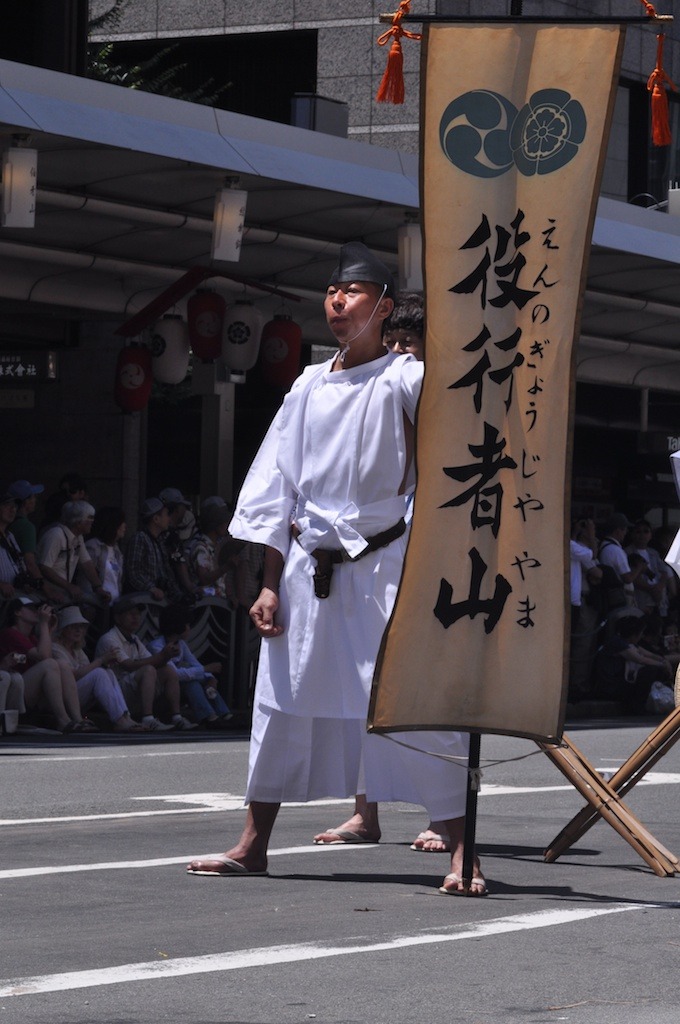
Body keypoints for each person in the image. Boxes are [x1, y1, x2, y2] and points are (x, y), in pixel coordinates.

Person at [186, 241, 483, 896]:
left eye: (351, 293)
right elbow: (275, 486)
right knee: (281, 699)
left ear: (381, 307)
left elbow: (458, 447)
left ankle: (462, 849)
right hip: (307, 569)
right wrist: (268, 581)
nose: (337, 302)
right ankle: (253, 843)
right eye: (331, 293)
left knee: (414, 698)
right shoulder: (308, 383)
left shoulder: (406, 379)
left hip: (385, 567)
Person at [94, 594, 194, 731]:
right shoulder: (110, 639)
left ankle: (176, 717)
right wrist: (162, 655)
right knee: (148, 670)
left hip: (132, 691)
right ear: (117, 618)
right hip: (115, 693)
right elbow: (129, 666)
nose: (136, 617)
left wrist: (166, 656)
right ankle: (147, 718)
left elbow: (154, 661)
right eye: (131, 614)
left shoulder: (134, 639)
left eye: (137, 614)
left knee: (168, 670)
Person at [0, 598, 95, 733]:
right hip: (14, 692)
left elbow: (48, 657)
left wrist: (49, 630)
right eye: (31, 608)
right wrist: (44, 624)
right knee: (50, 664)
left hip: (28, 691)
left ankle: (78, 718)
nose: (37, 612)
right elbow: (45, 658)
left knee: (61, 664)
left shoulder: (31, 637)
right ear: (17, 612)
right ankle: (63, 720)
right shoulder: (11, 633)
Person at [52, 605, 145, 732]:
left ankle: (125, 717)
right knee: (99, 673)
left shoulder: (77, 650)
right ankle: (118, 719)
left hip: (78, 696)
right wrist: (100, 660)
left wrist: (105, 663)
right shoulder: (56, 648)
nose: (79, 630)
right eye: (73, 626)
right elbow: (73, 675)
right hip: (64, 697)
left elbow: (86, 671)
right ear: (63, 629)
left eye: (81, 627)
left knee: (108, 672)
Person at [147, 604, 232, 729]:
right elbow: (175, 674)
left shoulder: (181, 644)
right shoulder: (156, 646)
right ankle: (208, 717)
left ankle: (224, 714)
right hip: (161, 692)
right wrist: (205, 669)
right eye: (187, 625)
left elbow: (194, 663)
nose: (189, 628)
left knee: (200, 679)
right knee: (191, 683)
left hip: (174, 688)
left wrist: (209, 677)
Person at [594, 614, 674, 714]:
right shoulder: (617, 643)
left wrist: (663, 661)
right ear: (633, 634)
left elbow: (647, 654)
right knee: (649, 671)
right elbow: (640, 659)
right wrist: (662, 665)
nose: (641, 636)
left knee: (654, 669)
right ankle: (636, 706)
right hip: (611, 685)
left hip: (620, 681)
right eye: (640, 633)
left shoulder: (629, 643)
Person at [36, 500, 111, 606]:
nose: (92, 524)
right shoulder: (56, 535)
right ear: (79, 522)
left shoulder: (78, 537)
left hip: (63, 593)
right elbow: (44, 567)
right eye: (89, 520)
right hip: (47, 594)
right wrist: (69, 586)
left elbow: (86, 563)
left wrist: (98, 588)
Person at [123, 498, 183, 602]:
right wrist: (151, 588)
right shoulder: (140, 538)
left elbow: (165, 572)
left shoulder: (159, 541)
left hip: (158, 603)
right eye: (166, 515)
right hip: (143, 602)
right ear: (156, 519)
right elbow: (133, 572)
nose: (169, 519)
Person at [83, 506, 126, 604]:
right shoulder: (93, 546)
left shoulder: (116, 549)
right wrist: (87, 605)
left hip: (113, 607)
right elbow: (86, 579)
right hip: (96, 606)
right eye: (121, 522)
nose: (124, 526)